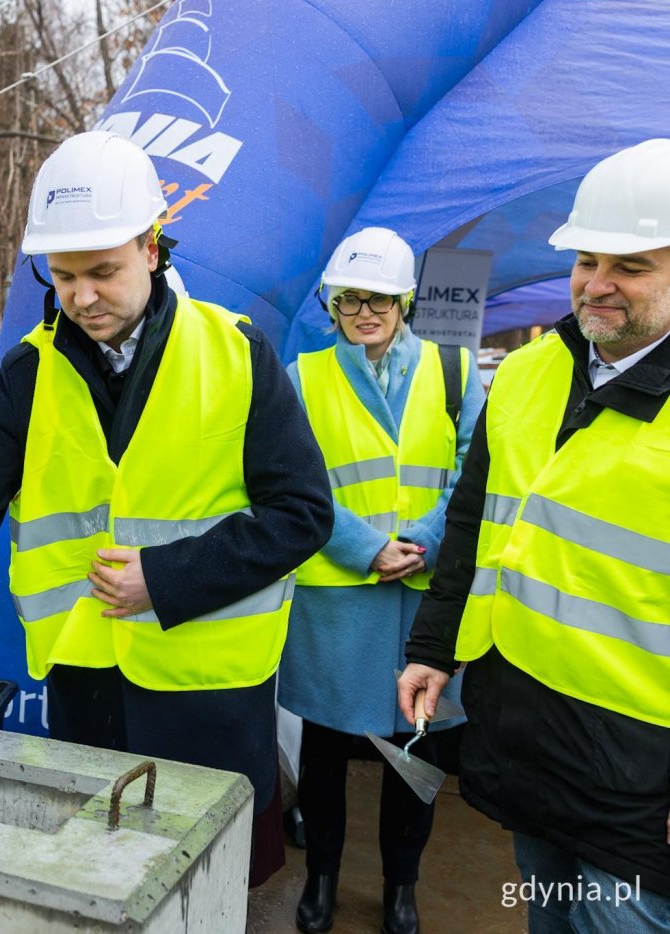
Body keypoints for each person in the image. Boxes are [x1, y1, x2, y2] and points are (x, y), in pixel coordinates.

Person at [0, 130, 334, 886]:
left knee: (205, 889)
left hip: (210, 698)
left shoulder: (236, 353)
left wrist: (165, 578)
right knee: (101, 884)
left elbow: (302, 513)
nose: (81, 297)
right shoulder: (29, 374)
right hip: (88, 699)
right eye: (64, 275)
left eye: (103, 272)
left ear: (152, 248)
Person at [399, 138, 670, 934]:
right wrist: (433, 646)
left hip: (641, 781)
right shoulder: (524, 375)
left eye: (630, 266)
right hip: (526, 741)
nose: (598, 284)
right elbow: (473, 524)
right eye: (587, 260)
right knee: (545, 915)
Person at [279, 227, 485, 934]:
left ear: (406, 303)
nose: (364, 313)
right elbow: (293, 480)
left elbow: (476, 472)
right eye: (350, 300)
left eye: (380, 300)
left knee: (414, 755)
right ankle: (321, 878)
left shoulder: (456, 371)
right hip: (339, 599)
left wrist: (424, 542)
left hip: (424, 600)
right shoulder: (304, 377)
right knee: (325, 754)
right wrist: (365, 548)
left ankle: (402, 887)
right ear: (332, 305)